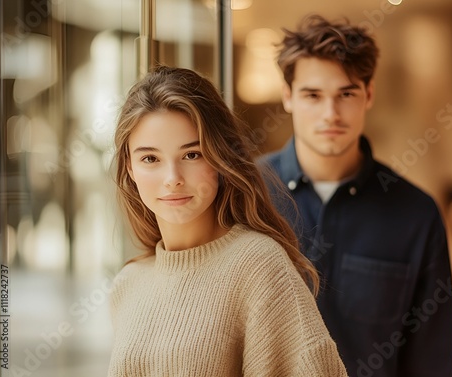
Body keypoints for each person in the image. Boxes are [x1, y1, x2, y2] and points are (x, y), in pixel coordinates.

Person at [107, 65, 347, 377]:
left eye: (192, 155)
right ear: (129, 167)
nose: (172, 179)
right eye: (150, 159)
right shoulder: (129, 283)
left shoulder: (259, 265)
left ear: (220, 159)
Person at [259, 14, 452, 377]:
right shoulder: (245, 194)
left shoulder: (415, 214)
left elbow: (431, 353)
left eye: (345, 94)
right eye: (313, 95)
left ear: (368, 94)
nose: (330, 114)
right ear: (288, 97)